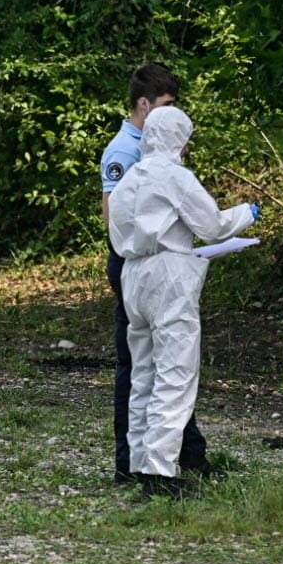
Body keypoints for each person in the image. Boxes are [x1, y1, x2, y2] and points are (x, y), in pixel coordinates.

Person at [107, 105, 257, 499]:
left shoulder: (128, 182)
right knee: (174, 373)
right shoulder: (174, 177)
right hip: (168, 277)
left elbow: (117, 229)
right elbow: (213, 226)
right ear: (178, 138)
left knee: (143, 372)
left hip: (133, 274)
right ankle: (160, 473)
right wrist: (246, 213)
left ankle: (140, 462)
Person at [99, 64, 213, 484]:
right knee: (152, 371)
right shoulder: (125, 153)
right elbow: (116, 221)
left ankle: (167, 459)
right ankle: (144, 465)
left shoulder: (151, 158)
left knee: (155, 369)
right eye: (165, 106)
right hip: (143, 265)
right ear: (144, 105)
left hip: (143, 268)